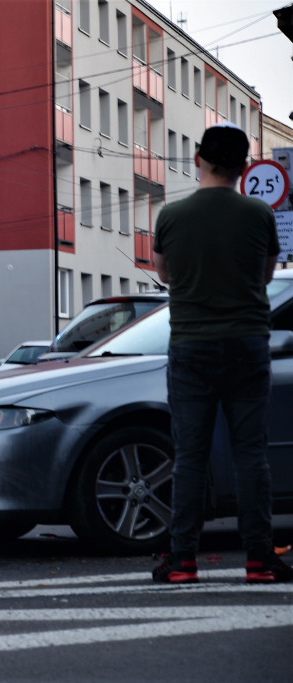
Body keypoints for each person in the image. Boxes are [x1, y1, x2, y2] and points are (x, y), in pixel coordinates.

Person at [152, 122, 291, 584]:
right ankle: (258, 558)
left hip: (190, 346)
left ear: (198, 160)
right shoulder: (259, 216)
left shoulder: (171, 216)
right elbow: (267, 276)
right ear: (244, 167)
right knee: (251, 453)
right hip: (249, 345)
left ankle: (183, 559)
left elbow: (166, 275)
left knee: (189, 455)